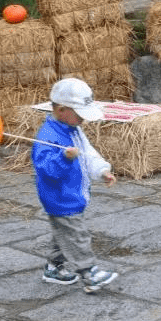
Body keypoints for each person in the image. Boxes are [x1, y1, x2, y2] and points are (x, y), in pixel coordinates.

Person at [32, 77, 118, 293]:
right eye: (80, 114)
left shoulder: (73, 129)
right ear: (61, 110)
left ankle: (54, 268)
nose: (83, 119)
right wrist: (64, 158)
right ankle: (89, 273)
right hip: (59, 197)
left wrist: (102, 170)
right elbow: (46, 170)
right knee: (76, 234)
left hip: (72, 193)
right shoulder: (48, 136)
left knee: (63, 232)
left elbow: (88, 153)